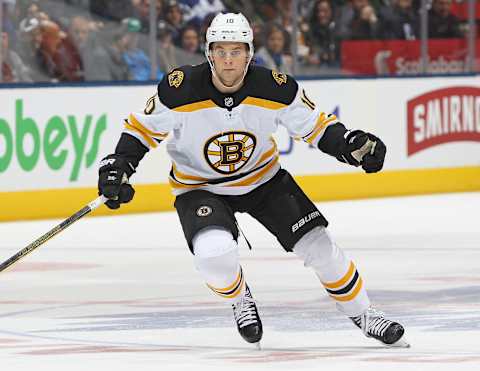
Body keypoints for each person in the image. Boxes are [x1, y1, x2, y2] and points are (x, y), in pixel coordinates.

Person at [97, 12, 407, 348]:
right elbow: (140, 131)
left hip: (265, 181)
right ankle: (239, 297)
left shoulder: (275, 87)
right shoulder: (178, 89)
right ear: (208, 53)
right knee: (214, 256)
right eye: (220, 51)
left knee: (320, 248)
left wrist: (351, 145)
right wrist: (117, 166)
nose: (228, 60)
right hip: (199, 188)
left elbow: (316, 127)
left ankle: (365, 314)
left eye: (236, 51)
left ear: (249, 53)